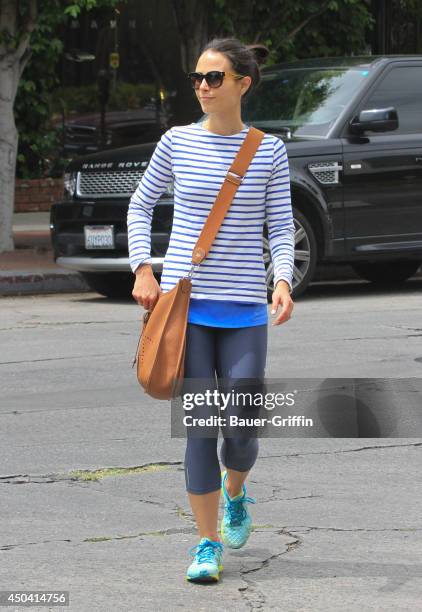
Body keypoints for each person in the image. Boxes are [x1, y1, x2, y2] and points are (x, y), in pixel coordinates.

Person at [127, 37, 295, 583]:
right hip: (187, 309)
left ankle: (236, 492)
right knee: (201, 426)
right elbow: (140, 204)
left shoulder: (267, 150)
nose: (202, 86)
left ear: (243, 85)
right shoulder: (176, 142)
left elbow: (280, 225)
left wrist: (283, 279)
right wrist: (143, 268)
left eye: (214, 78)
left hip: (244, 307)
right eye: (197, 77)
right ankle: (206, 543)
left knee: (242, 424)